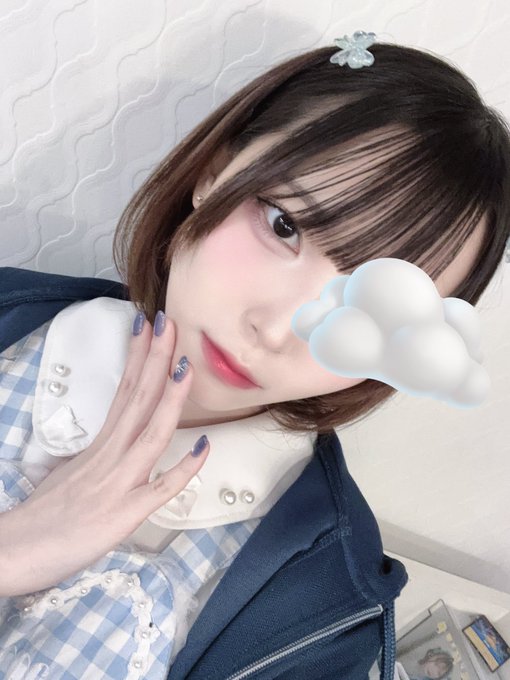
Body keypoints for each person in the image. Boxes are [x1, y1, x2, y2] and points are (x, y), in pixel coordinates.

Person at [1, 33, 509, 680]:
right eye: (283, 226)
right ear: (214, 172)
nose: (274, 330)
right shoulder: (12, 318)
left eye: (372, 313)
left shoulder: (328, 603)